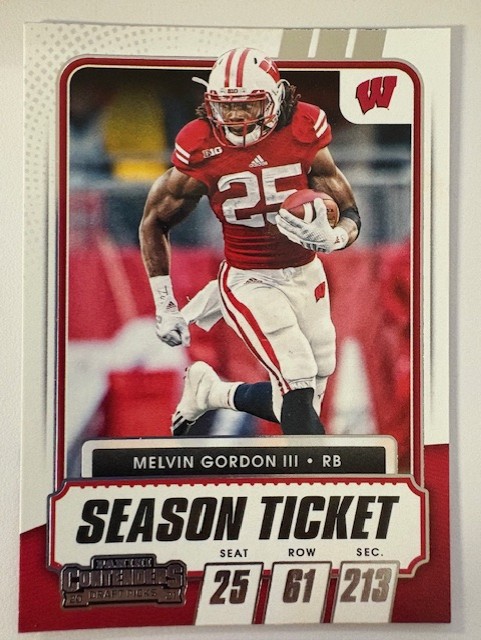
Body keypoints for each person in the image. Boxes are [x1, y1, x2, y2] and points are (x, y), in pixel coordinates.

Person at [139, 47, 361, 437]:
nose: (237, 117)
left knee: (308, 387)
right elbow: (154, 222)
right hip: (249, 278)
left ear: (275, 100)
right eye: (227, 107)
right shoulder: (200, 145)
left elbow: (350, 213)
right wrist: (165, 305)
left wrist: (335, 237)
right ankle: (318, 468)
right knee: (297, 375)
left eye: (248, 105)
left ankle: (212, 392)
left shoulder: (303, 127)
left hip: (306, 272)